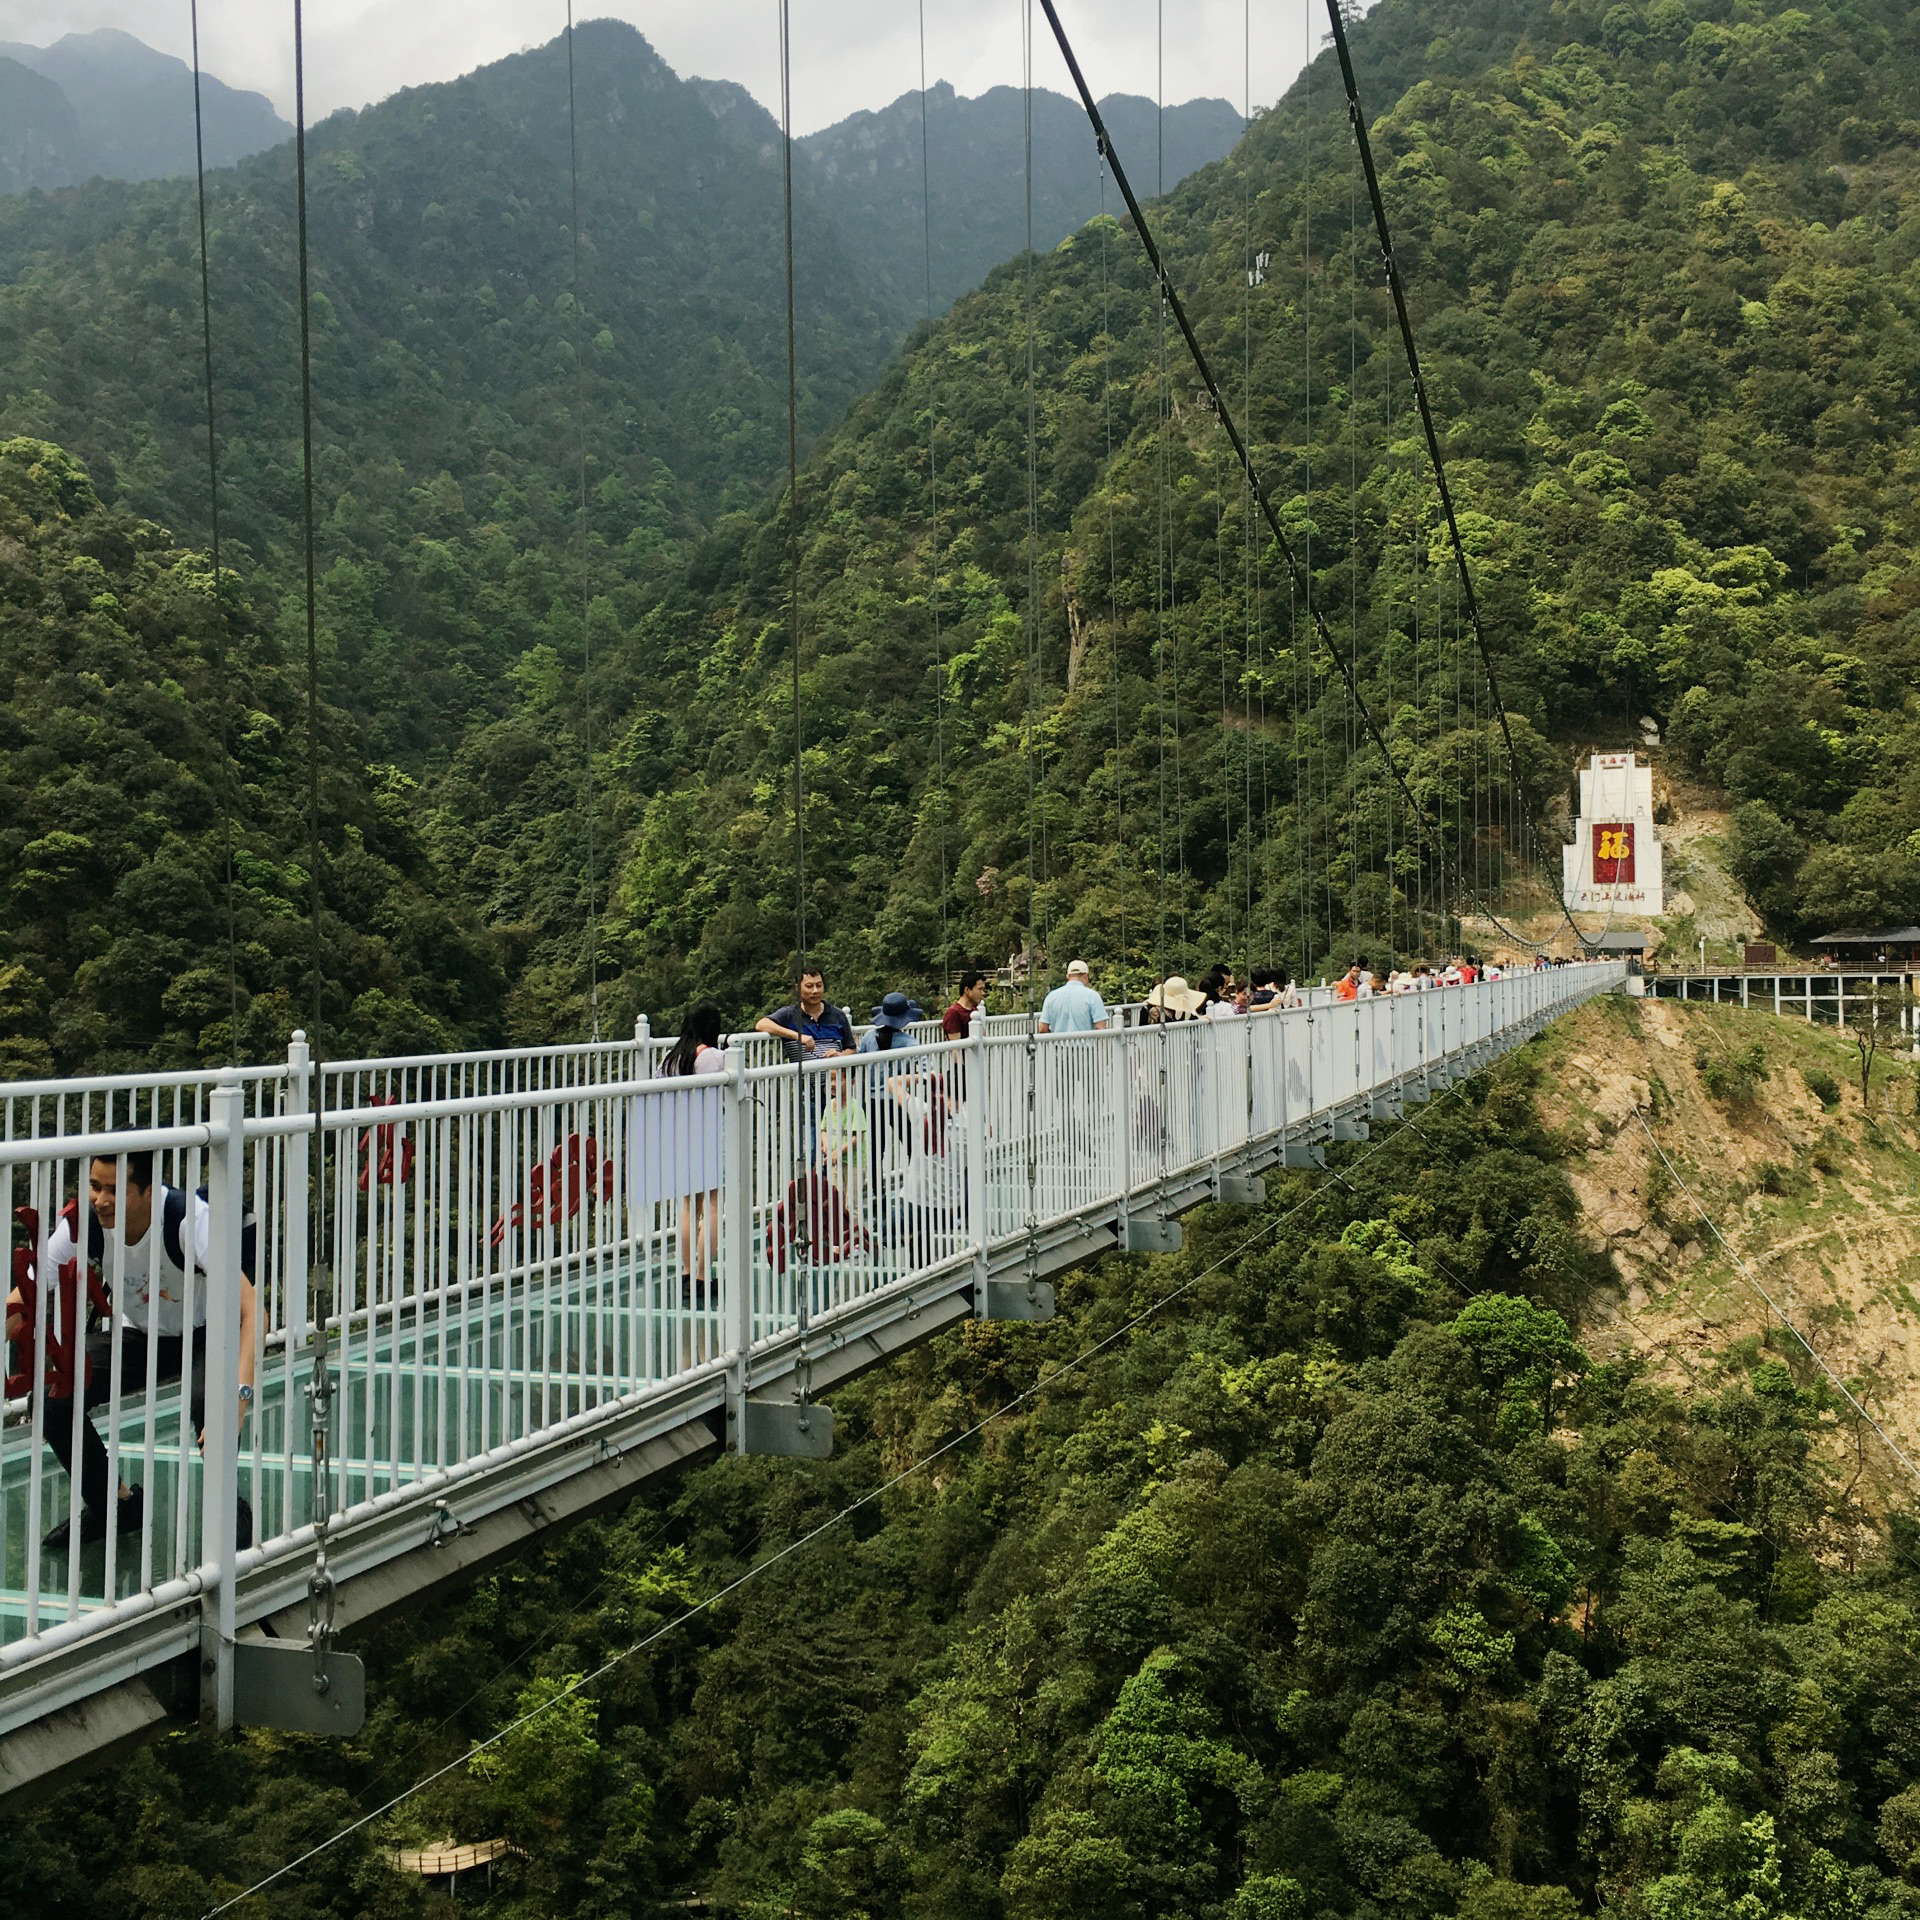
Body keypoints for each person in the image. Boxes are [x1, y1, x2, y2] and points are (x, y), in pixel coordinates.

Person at [9, 1148, 257, 1552]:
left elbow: (252, 1316)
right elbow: (26, 1299)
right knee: (53, 1398)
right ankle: (115, 1507)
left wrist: (240, 1399)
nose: (100, 1200)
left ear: (147, 1191)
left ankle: (229, 1509)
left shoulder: (189, 1221)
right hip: (140, 1334)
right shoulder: (83, 1221)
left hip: (208, 1332)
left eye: (114, 1191)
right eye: (93, 1186)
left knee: (210, 1404)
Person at [659, 1002, 727, 1306]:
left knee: (688, 1205)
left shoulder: (670, 1059)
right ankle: (702, 1275)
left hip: (678, 1136)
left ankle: (686, 1273)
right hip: (707, 1134)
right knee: (712, 1204)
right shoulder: (713, 1056)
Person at [757, 966, 856, 1061]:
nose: (815, 991)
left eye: (819, 985)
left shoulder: (838, 1015)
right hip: (803, 1077)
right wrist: (797, 1036)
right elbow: (761, 1024)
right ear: (798, 988)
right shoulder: (789, 1015)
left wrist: (840, 1056)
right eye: (809, 986)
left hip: (835, 1076)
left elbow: (851, 1049)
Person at [1037, 959, 1109, 1034]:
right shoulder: (1092, 996)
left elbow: (1042, 1028)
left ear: (1067, 977)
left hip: (1057, 1044)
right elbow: (1101, 1027)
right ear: (1086, 976)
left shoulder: (1051, 996)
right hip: (1084, 1044)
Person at [942, 969, 987, 1040]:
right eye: (980, 989)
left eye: (983, 990)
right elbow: (955, 1047)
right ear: (967, 990)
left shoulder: (974, 1010)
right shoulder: (953, 1013)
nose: (983, 993)